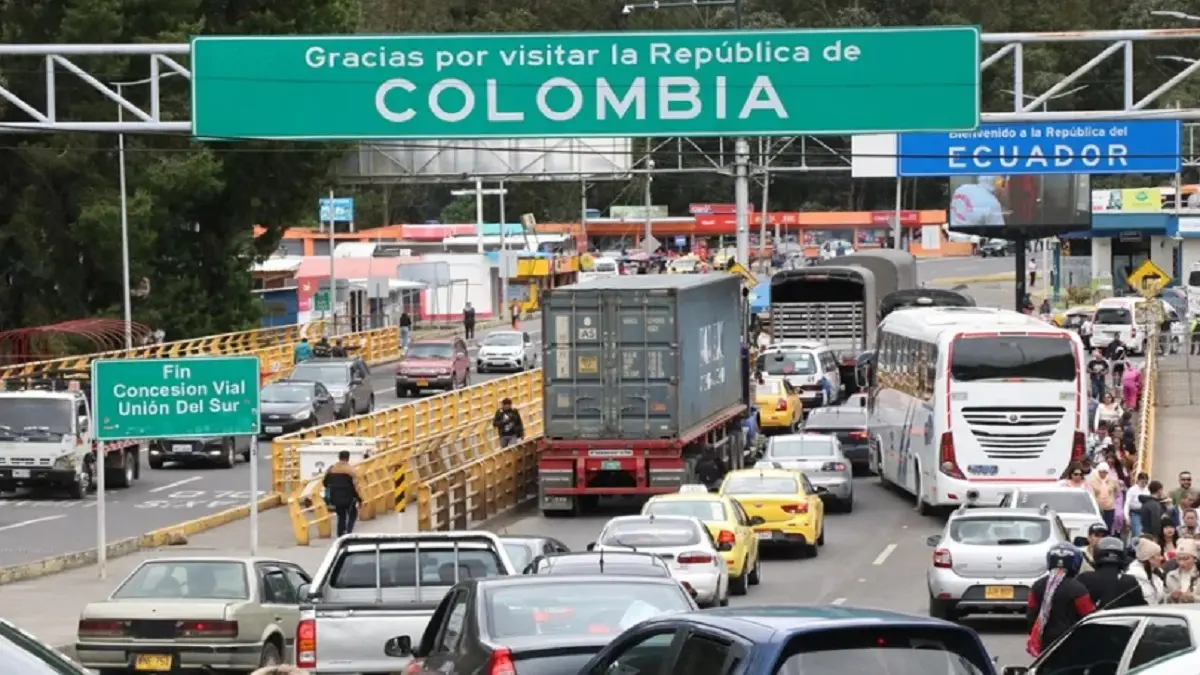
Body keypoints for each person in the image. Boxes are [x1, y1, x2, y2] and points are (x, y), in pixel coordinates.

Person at [1026, 543, 1095, 657]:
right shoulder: (1078, 589)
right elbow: (1088, 616)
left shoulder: (1037, 586)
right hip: (1071, 642)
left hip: (1045, 642)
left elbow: (1031, 614)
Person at [1077, 536, 1147, 610]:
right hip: (1122, 617)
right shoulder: (1130, 581)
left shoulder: (1084, 578)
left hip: (1093, 617)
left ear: (1097, 554)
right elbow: (1141, 608)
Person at [322, 450, 363, 537]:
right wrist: (360, 499)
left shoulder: (331, 469)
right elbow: (356, 486)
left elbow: (325, 483)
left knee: (341, 515)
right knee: (353, 514)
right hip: (349, 498)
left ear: (339, 457)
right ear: (348, 458)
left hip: (335, 497)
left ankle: (340, 534)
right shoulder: (351, 470)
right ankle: (348, 532)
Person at [1127, 537, 1167, 604]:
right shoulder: (1134, 578)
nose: (1162, 558)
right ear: (1150, 559)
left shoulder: (1156, 574)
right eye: (1159, 555)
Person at [1087, 463, 1122, 531]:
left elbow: (1117, 492)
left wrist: (1111, 499)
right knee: (1097, 527)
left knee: (1108, 527)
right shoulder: (1092, 480)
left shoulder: (1113, 480)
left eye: (1105, 472)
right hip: (1097, 508)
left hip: (1109, 508)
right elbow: (1090, 493)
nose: (1103, 474)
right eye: (1101, 472)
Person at [1126, 473, 1152, 539]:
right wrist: (1127, 517)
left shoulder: (1148, 490)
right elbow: (1127, 504)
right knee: (1138, 532)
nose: (1144, 484)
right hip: (1135, 513)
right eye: (1142, 482)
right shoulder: (1132, 490)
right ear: (1138, 481)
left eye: (1146, 482)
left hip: (1145, 513)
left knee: (1146, 533)